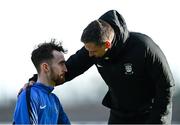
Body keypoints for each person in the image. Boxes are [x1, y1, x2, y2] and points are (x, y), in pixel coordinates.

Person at [27, 10, 175, 124]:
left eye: (93, 51)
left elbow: (166, 87)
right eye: (87, 50)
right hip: (119, 115)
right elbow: (69, 69)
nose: (89, 55)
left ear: (107, 45)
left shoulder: (144, 48)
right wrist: (37, 80)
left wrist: (157, 122)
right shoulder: (92, 48)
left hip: (150, 115)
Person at [13, 39, 70, 124]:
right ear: (46, 67)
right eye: (61, 64)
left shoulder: (54, 99)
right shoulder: (30, 95)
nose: (65, 69)